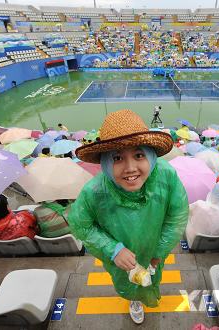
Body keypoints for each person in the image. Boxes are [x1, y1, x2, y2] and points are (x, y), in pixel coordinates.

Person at [68, 110, 189, 324]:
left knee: (152, 278)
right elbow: (80, 225)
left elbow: (177, 216)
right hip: (120, 260)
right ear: (105, 162)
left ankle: (142, 295)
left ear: (150, 155)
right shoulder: (94, 192)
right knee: (128, 284)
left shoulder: (166, 176)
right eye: (117, 158)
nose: (130, 168)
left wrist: (158, 251)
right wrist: (112, 249)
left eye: (139, 155)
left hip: (154, 251)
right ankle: (134, 300)